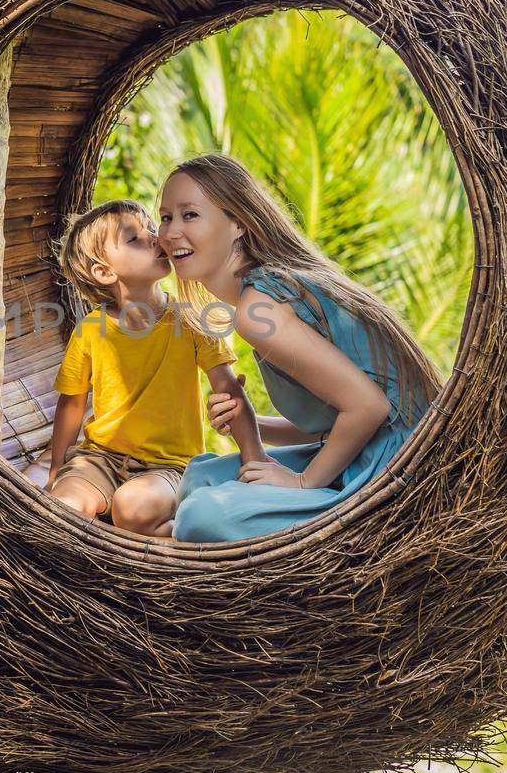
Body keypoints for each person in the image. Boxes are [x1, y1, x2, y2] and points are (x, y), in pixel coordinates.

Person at [157, 153, 440, 543]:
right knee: (201, 476)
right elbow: (336, 419)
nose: (171, 232)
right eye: (165, 217)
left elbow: (369, 407)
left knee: (199, 516)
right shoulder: (262, 292)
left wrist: (303, 483)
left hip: (397, 471)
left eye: (190, 215)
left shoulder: (258, 309)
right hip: (361, 451)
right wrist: (252, 423)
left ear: (238, 222)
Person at [47, 199, 265, 538]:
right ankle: (131, 529)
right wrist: (57, 469)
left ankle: (178, 535)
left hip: (170, 468)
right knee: (65, 509)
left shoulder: (192, 320)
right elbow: (72, 403)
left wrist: (255, 461)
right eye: (135, 238)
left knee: (132, 509)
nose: (154, 237)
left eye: (151, 228)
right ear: (104, 272)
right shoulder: (90, 330)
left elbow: (230, 391)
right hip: (98, 458)